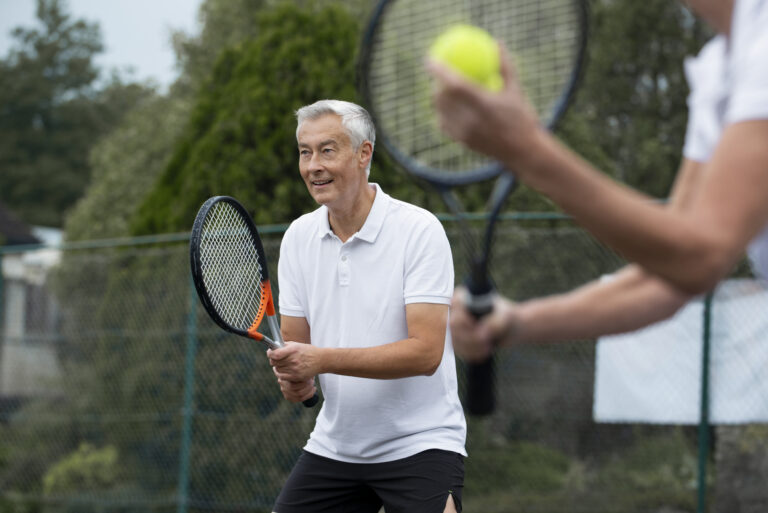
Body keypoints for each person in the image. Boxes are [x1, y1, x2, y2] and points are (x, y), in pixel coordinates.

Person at [425, 0, 768, 357]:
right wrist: (517, 321)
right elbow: (668, 274)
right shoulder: (722, 69)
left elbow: (702, 258)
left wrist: (526, 150)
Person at [267, 99, 467, 513]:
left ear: (363, 154)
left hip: (421, 442)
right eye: (305, 152)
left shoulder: (419, 231)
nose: (313, 166)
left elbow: (426, 353)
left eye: (327, 150)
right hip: (335, 446)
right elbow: (299, 352)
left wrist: (318, 361)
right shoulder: (297, 238)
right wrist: (295, 381)